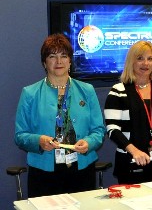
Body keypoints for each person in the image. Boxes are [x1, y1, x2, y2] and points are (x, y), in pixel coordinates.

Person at [14, 34, 105, 197]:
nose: (59, 61)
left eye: (64, 56)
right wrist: (38, 141)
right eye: (52, 56)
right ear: (44, 62)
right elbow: (20, 136)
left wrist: (89, 143)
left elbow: (98, 130)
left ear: (70, 61)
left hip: (82, 169)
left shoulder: (87, 90)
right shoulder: (30, 93)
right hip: (44, 172)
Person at [104, 40, 152, 184]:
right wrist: (135, 151)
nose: (145, 63)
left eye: (150, 59)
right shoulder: (118, 91)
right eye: (140, 58)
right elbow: (112, 129)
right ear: (131, 62)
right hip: (131, 163)